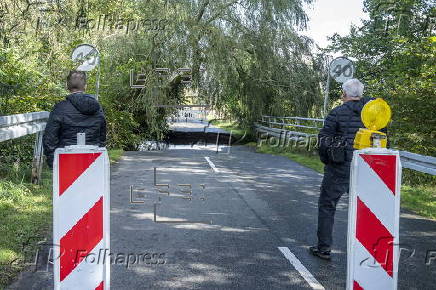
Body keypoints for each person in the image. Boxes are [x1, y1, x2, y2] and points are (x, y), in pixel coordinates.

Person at [309, 79, 385, 260]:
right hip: (367, 167)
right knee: (367, 210)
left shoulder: (336, 113)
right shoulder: (375, 114)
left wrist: (327, 161)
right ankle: (370, 251)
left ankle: (324, 248)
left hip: (339, 167)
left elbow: (324, 141)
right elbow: (381, 139)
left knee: (328, 206)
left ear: (344, 94)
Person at [43, 70, 106, 168]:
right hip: (93, 159)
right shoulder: (97, 107)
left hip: (66, 161)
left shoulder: (60, 108)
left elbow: (50, 138)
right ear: (85, 86)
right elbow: (102, 135)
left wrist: (53, 162)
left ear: (67, 86)